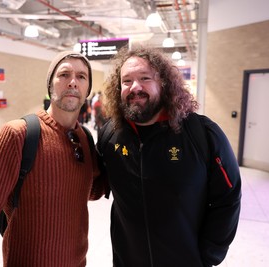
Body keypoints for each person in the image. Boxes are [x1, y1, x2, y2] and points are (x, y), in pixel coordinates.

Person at [96, 46, 242, 267]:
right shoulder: (110, 135)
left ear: (163, 83)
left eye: (145, 78)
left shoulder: (201, 134)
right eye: (127, 81)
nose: (135, 87)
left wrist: (209, 254)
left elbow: (228, 197)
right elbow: (94, 181)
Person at [0, 51, 106, 266]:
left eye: (82, 77)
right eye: (64, 75)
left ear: (87, 90)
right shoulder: (17, 134)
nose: (73, 82)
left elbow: (87, 190)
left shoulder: (84, 138)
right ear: (50, 84)